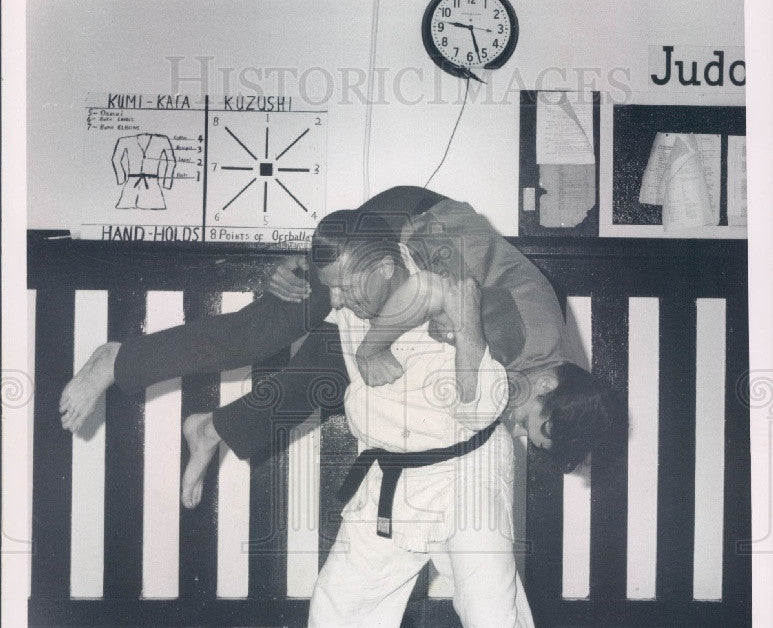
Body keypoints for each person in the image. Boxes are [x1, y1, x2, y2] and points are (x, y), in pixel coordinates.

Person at [251, 217, 578, 628]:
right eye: (336, 290)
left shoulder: (445, 289)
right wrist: (283, 277)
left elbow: (475, 396)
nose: (341, 300)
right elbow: (276, 313)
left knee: (492, 615)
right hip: (392, 475)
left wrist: (438, 333)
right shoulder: (352, 288)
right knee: (341, 597)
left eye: (348, 287)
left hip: (468, 474)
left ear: (380, 266)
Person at [60, 187, 617, 504]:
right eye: (530, 424)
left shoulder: (550, 374)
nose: (516, 429)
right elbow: (447, 291)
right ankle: (119, 360)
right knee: (264, 332)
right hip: (407, 227)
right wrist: (335, 289)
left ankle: (213, 428)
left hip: (409, 258)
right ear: (548, 384)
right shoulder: (530, 337)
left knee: (330, 371)